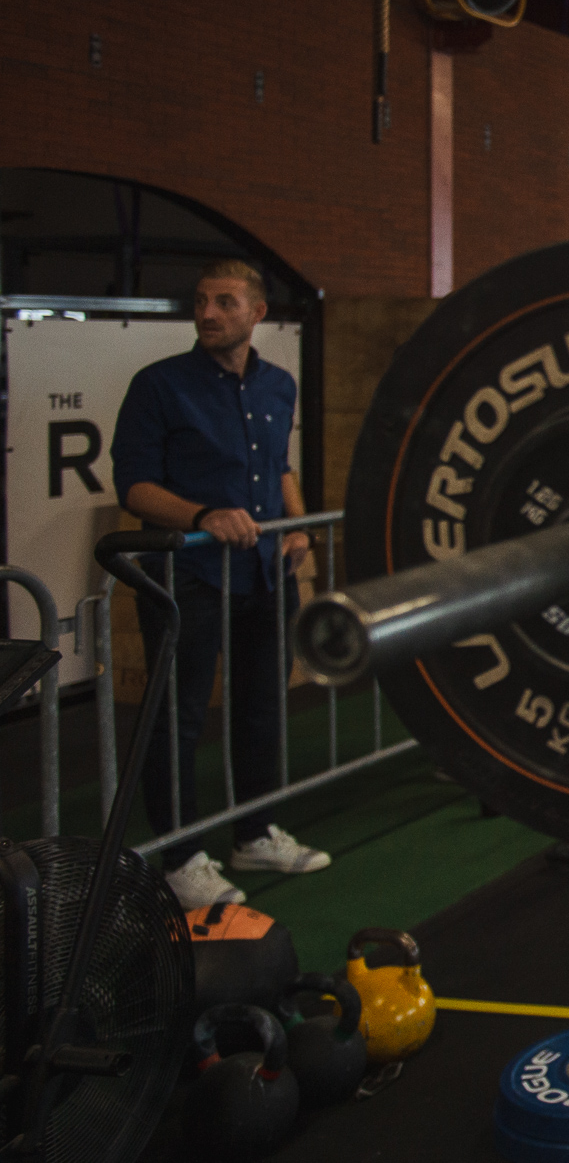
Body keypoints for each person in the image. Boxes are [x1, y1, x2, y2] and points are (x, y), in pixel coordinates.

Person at [110, 260, 330, 910]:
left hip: (265, 572)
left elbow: (280, 468)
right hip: (190, 577)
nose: (208, 313)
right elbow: (136, 487)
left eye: (225, 303)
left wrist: (297, 528)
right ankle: (179, 858)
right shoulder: (158, 386)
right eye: (202, 301)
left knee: (262, 705)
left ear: (257, 313)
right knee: (176, 719)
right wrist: (204, 517)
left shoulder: (277, 385)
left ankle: (254, 833)